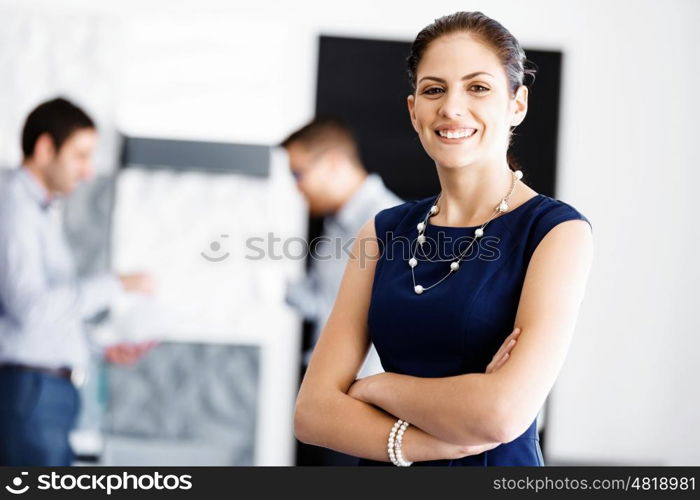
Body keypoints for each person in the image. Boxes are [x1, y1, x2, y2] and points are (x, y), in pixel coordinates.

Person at [294, 11, 594, 466]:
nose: (452, 108)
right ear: (414, 111)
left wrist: (375, 388)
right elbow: (313, 413)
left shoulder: (556, 232)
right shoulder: (382, 231)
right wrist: (434, 442)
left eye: (478, 87)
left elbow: (500, 415)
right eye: (434, 89)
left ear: (518, 104)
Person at [0, 97, 157, 466]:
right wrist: (116, 284)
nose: (88, 172)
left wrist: (98, 348)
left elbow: (46, 314)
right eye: (81, 156)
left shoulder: (38, 209)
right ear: (44, 148)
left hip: (42, 391)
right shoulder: (14, 209)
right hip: (30, 392)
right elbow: (31, 308)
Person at [281, 116, 402, 465]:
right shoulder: (336, 224)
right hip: (329, 395)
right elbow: (327, 306)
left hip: (365, 404)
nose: (296, 187)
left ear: (333, 163)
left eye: (298, 174)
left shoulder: (389, 222)